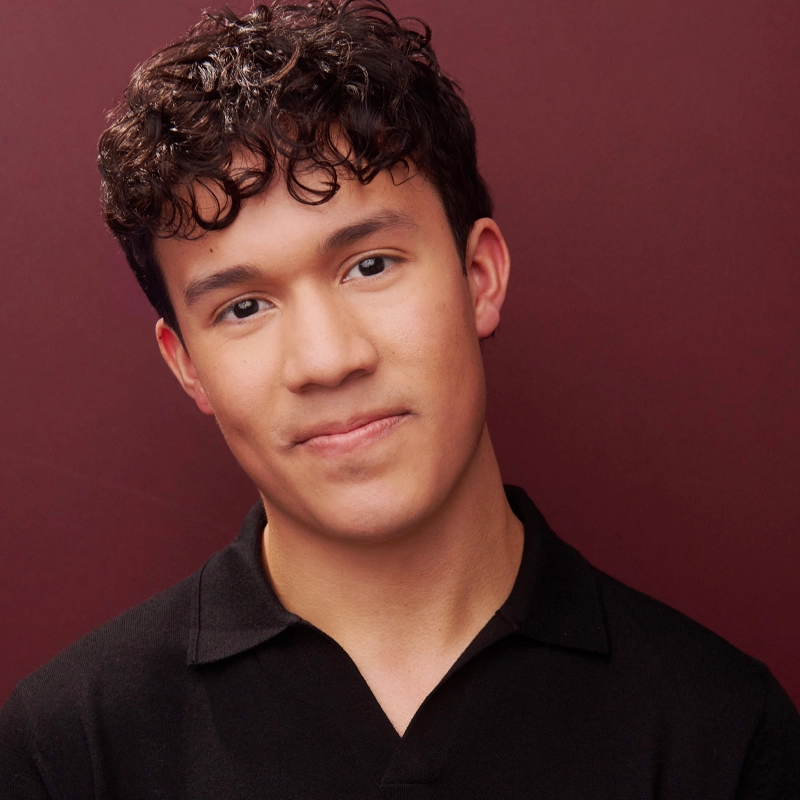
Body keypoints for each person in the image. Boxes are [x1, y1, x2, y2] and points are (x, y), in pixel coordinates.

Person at [1, 1, 798, 796]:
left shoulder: (725, 736)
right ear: (189, 369)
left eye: (371, 265)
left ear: (478, 278)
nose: (327, 359)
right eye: (243, 307)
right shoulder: (68, 750)